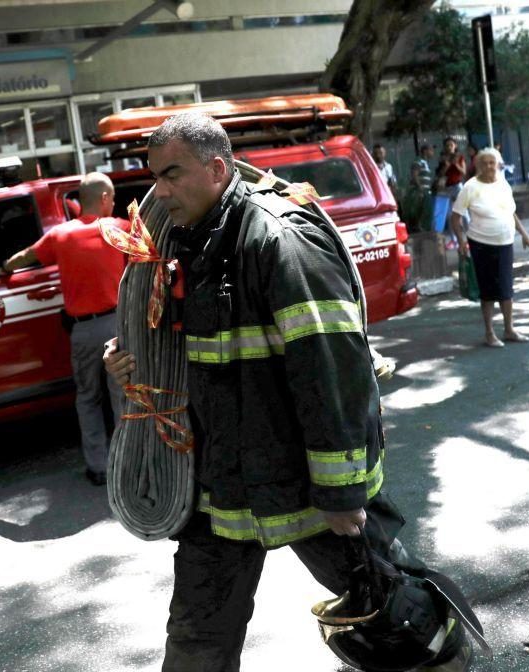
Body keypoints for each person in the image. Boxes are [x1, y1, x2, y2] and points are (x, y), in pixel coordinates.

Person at [103, 113, 474, 671]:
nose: (160, 191)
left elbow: (332, 368)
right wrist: (133, 359)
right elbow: (192, 351)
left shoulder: (280, 238)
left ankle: (447, 661)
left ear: (217, 167)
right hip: (222, 488)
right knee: (197, 635)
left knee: (396, 613)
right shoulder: (192, 245)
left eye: (172, 174)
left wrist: (343, 490)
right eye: (154, 178)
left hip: (303, 487)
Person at [0, 172, 127, 486]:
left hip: (82, 331)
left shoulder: (60, 235)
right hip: (117, 326)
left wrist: (3, 268)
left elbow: (24, 258)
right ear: (106, 199)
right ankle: (128, 464)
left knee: (87, 398)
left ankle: (98, 467)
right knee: (121, 398)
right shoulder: (120, 228)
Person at [450, 147, 529, 348]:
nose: (489, 166)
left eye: (493, 162)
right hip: (481, 245)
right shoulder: (470, 187)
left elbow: (512, 213)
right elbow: (455, 218)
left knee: (506, 288)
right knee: (488, 290)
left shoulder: (503, 184)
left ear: (499, 164)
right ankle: (489, 333)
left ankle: (509, 329)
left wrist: (525, 236)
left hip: (505, 243)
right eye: (485, 163)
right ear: (478, 165)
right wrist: (462, 241)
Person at [435, 137, 467, 248]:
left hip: (457, 186)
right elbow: (440, 174)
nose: (449, 147)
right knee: (449, 215)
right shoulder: (442, 159)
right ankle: (455, 240)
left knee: (464, 213)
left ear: (455, 146)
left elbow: (463, 172)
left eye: (451, 145)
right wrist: (447, 165)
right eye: (447, 145)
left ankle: (469, 238)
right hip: (446, 189)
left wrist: (456, 164)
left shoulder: (460, 157)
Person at [402, 142, 435, 232]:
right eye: (431, 150)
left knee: (428, 212)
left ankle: (425, 229)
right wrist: (420, 188)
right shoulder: (418, 161)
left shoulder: (426, 163)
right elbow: (415, 175)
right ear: (425, 151)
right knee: (422, 211)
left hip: (427, 191)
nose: (433, 152)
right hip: (421, 192)